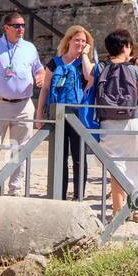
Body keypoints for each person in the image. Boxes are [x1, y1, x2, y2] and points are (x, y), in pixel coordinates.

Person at [0, 12, 45, 195]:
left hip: (23, 105)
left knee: (19, 149)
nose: (21, 28)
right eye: (17, 25)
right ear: (6, 28)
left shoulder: (29, 48)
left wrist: (40, 76)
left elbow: (39, 69)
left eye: (22, 25)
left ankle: (15, 188)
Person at [95, 28, 138, 216]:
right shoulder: (133, 69)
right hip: (133, 120)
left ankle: (117, 209)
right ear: (125, 47)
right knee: (134, 164)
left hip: (107, 121)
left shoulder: (101, 67)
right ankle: (137, 209)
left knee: (116, 165)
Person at [34, 25, 97, 200]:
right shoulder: (54, 63)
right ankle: (58, 194)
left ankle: (78, 196)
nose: (80, 43)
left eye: (84, 41)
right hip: (56, 114)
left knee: (79, 158)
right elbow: (45, 89)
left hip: (77, 115)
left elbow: (90, 76)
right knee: (59, 158)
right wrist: (39, 115)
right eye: (77, 39)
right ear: (68, 40)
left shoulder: (85, 63)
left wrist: (85, 54)